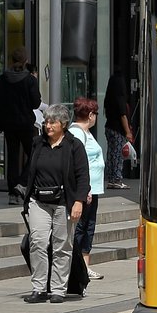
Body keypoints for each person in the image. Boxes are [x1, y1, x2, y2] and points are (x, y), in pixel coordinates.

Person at [20, 103, 88, 303]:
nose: (48, 126)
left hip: (63, 203)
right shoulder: (37, 144)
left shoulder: (74, 146)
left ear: (63, 124)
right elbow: (31, 171)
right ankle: (39, 288)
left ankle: (58, 289)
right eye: (46, 122)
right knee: (38, 243)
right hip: (39, 201)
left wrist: (79, 202)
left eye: (52, 122)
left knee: (62, 246)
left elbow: (83, 176)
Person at [0, 46, 42, 205]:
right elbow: (36, 103)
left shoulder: (1, 80)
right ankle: (23, 183)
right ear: (26, 61)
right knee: (36, 152)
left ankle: (13, 193)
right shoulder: (30, 80)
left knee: (12, 157)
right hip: (26, 123)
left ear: (11, 61)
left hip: (8, 125)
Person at [68, 97, 106, 280]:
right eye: (95, 114)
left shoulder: (86, 132)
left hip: (94, 189)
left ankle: (85, 266)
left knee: (88, 227)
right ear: (90, 115)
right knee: (81, 227)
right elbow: (77, 164)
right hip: (86, 190)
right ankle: (76, 267)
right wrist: (85, 190)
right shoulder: (77, 134)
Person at [103, 72, 135, 190]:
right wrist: (128, 132)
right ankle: (117, 179)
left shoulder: (109, 98)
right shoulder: (120, 98)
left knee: (111, 154)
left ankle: (111, 178)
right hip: (118, 129)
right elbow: (123, 115)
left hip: (109, 127)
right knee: (118, 155)